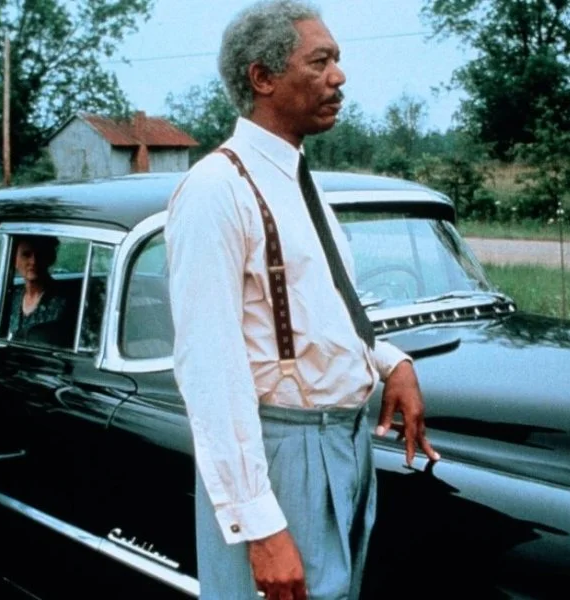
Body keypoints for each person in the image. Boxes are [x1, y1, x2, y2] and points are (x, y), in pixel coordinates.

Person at [165, 2, 440, 599]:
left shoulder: (295, 178)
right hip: (282, 456)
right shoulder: (217, 189)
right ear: (263, 78)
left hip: (341, 445)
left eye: (336, 60)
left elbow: (324, 308)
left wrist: (389, 361)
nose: (339, 77)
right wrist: (260, 526)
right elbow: (209, 371)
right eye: (319, 62)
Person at [7, 235, 68, 340]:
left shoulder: (63, 300)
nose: (33, 261)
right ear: (14, 260)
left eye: (40, 254)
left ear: (50, 258)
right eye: (26, 255)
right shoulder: (11, 298)